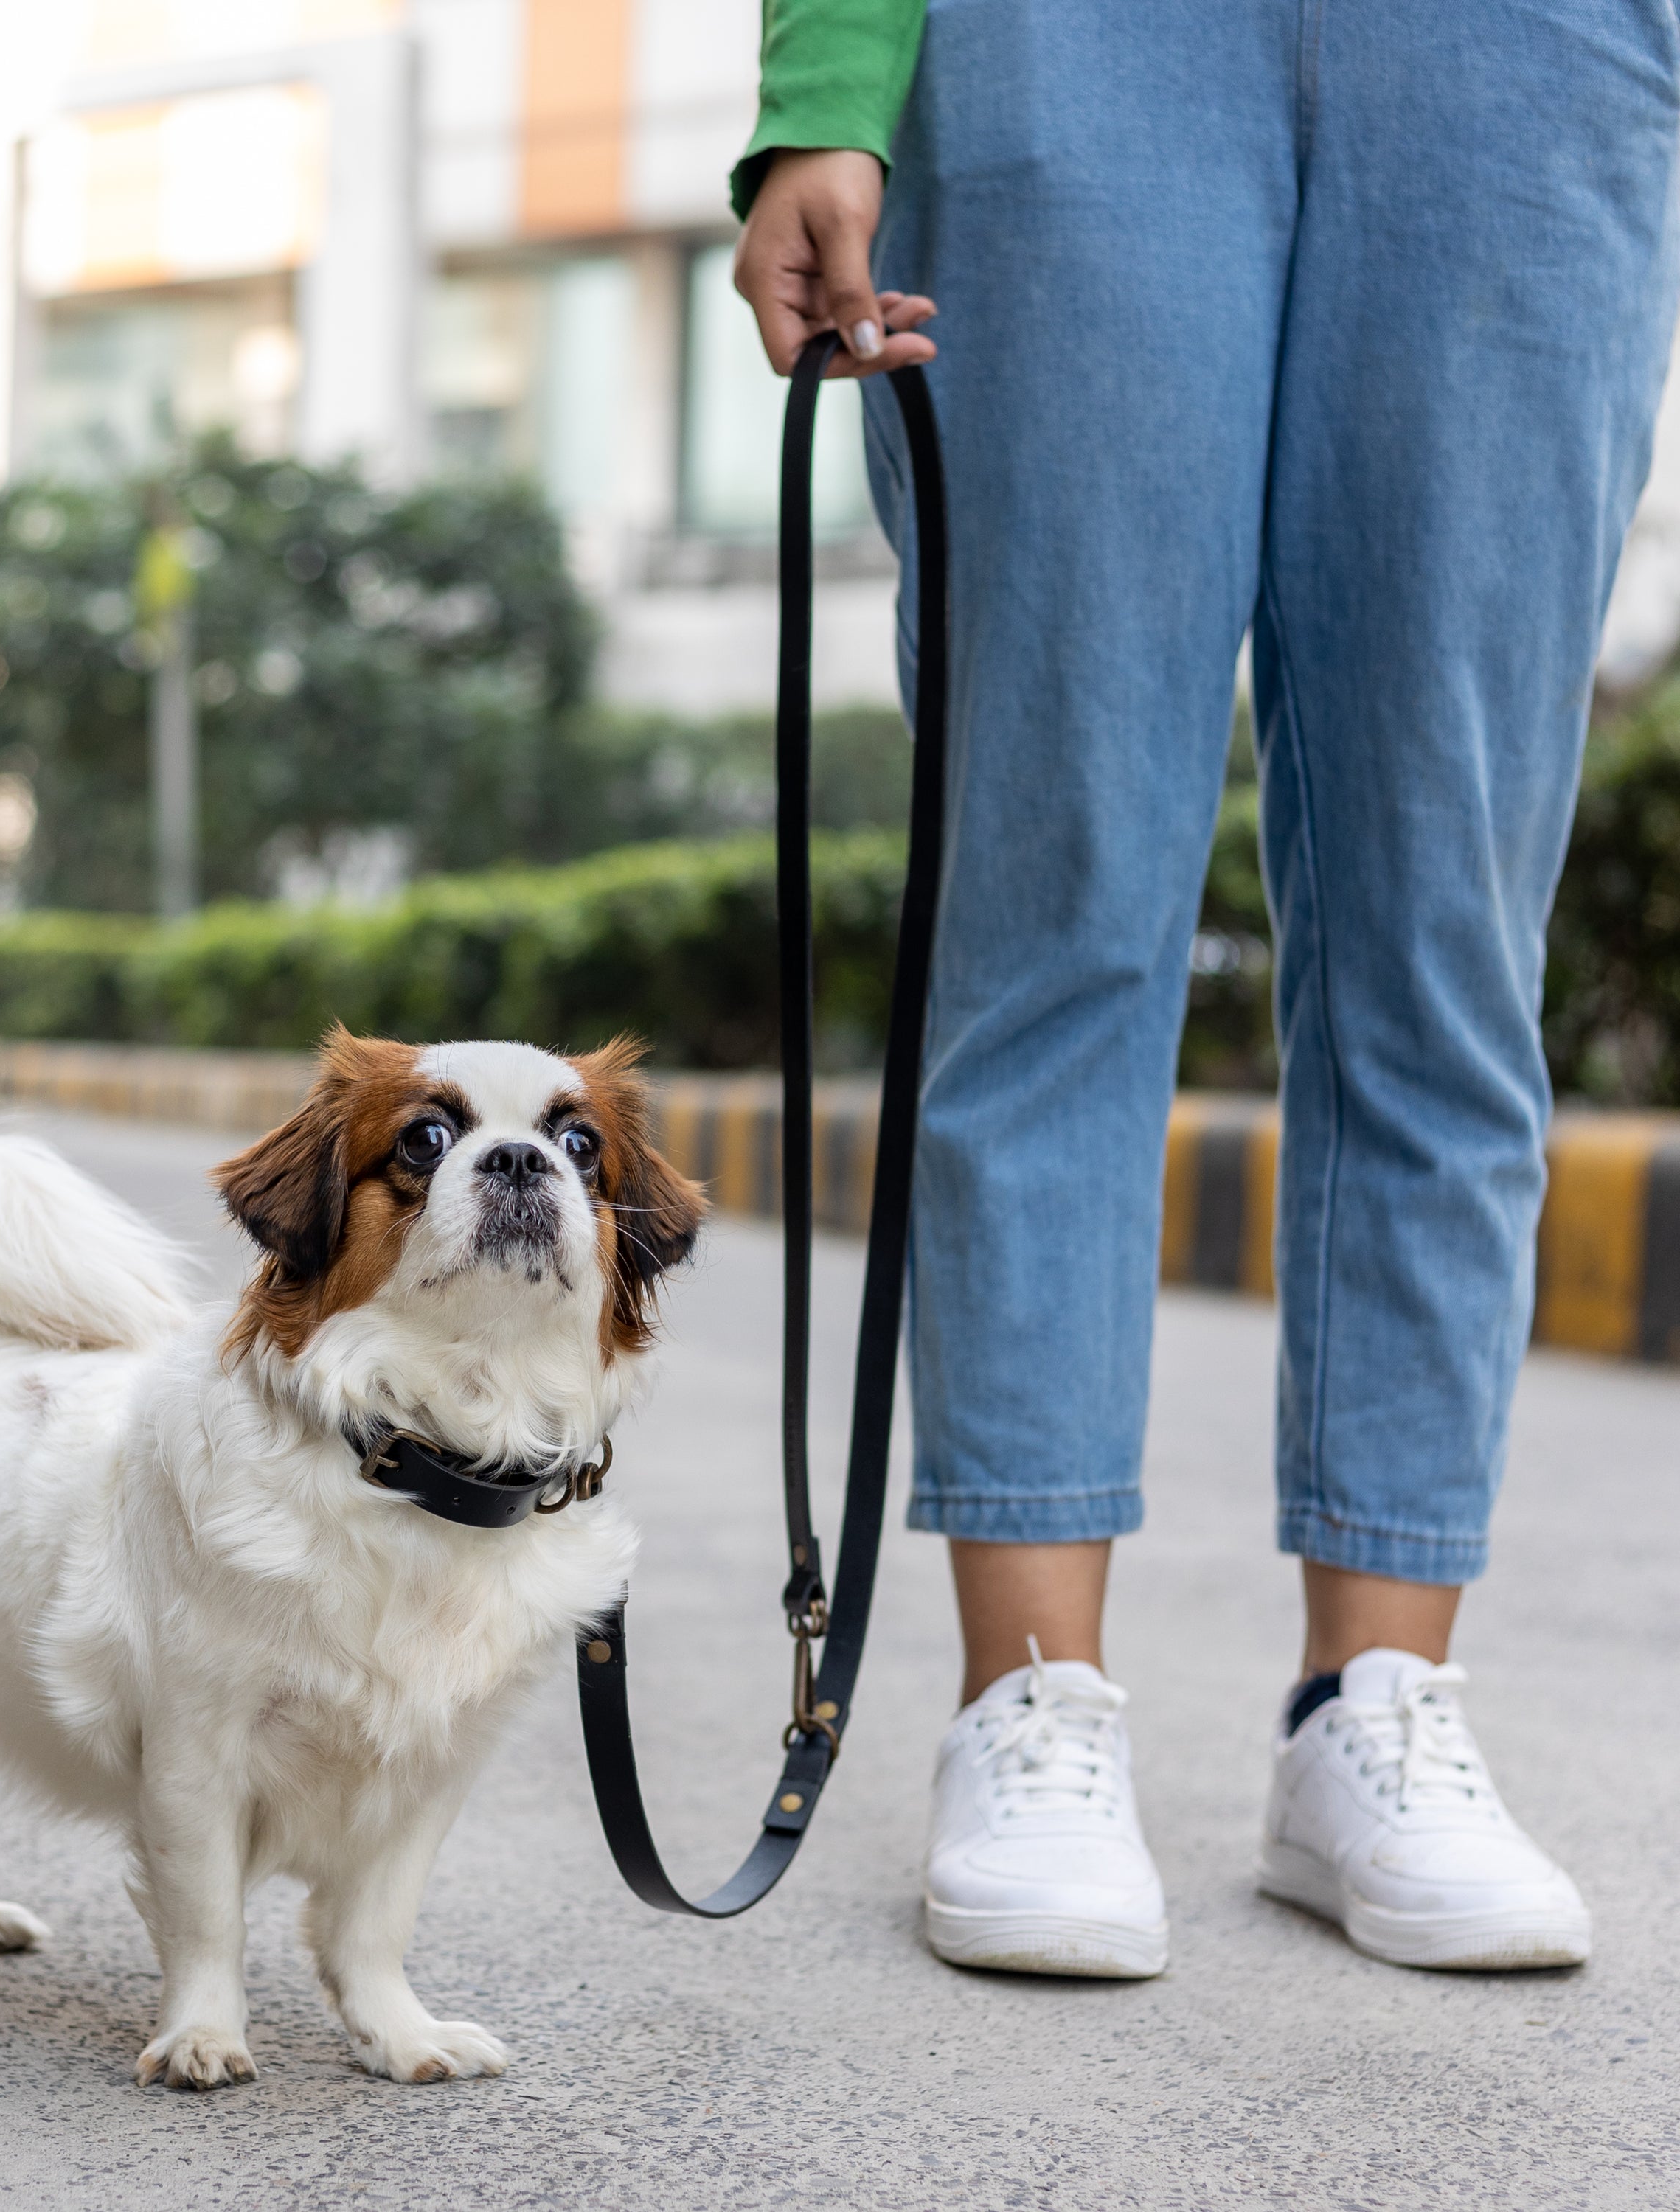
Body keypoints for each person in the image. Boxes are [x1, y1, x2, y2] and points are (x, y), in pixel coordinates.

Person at [732, 0, 1678, 1977]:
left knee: (1448, 922)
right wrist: (824, 91)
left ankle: (1374, 1711)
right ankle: (1028, 1703)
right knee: (1055, 891)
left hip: (1530, 56)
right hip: (1069, 43)